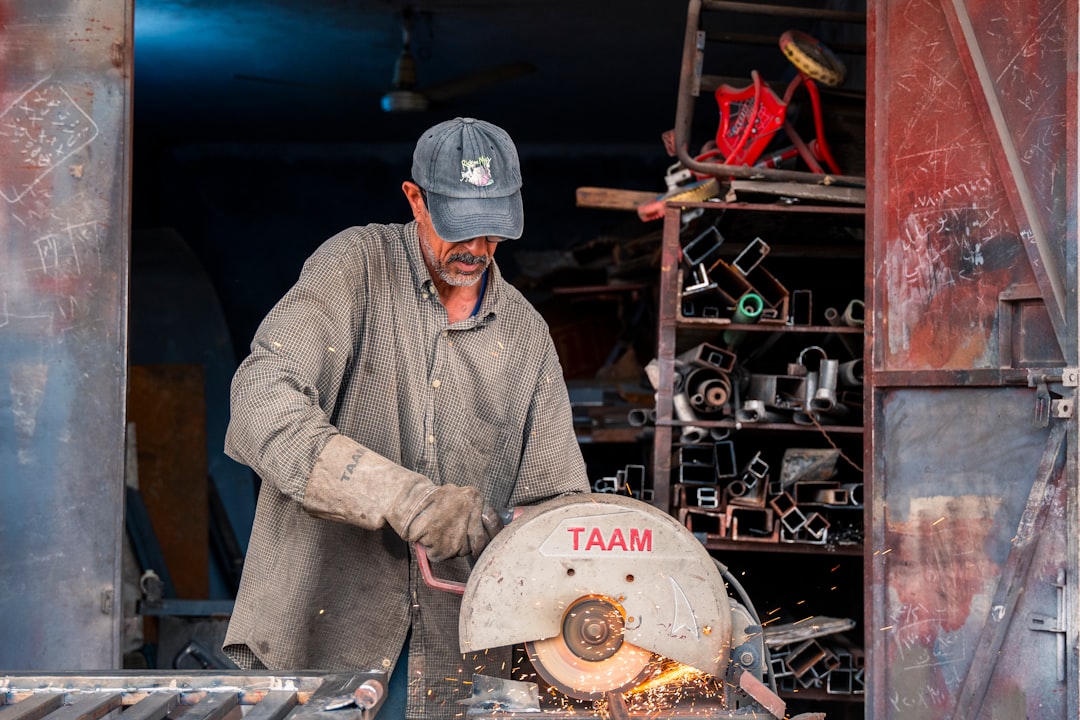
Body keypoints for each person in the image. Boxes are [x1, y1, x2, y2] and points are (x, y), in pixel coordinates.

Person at [221, 117, 590, 718]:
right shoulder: (354, 268)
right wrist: (406, 499)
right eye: (461, 229)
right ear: (414, 199)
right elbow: (261, 401)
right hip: (326, 638)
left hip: (461, 655)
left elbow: (557, 502)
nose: (476, 250)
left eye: (493, 231)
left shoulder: (526, 335)